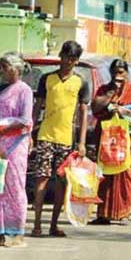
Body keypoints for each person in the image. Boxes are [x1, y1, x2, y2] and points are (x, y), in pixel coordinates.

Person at [31, 41, 89, 237]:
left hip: (66, 140)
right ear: (60, 57)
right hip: (45, 136)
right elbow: (37, 107)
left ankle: (53, 224)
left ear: (76, 61)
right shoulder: (47, 79)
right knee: (41, 180)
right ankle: (37, 224)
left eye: (73, 59)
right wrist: (30, 131)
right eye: (66, 57)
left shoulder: (80, 82)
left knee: (61, 183)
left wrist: (81, 143)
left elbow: (83, 113)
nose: (68, 62)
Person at [0, 52, 34, 247]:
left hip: (15, 145)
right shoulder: (3, 89)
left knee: (15, 187)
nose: (2, 71)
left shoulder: (24, 90)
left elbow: (25, 120)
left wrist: (1, 129)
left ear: (15, 68)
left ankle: (16, 232)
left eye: (5, 67)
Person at [91, 59, 131, 225]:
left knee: (125, 174)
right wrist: (110, 95)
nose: (119, 74)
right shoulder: (104, 89)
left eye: (122, 71)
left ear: (126, 72)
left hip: (126, 141)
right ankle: (103, 213)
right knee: (105, 175)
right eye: (116, 71)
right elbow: (95, 107)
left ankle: (124, 213)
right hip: (106, 140)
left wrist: (126, 111)